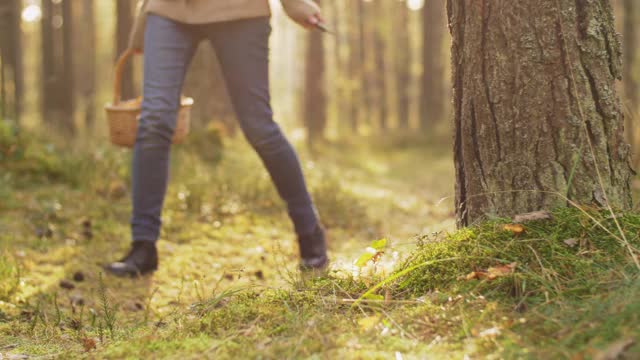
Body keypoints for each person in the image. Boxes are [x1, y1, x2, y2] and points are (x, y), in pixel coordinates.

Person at [105, 0, 328, 277]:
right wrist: (144, 18)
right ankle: (143, 246)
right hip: (169, 10)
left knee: (259, 126)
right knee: (154, 121)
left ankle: (310, 234)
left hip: (239, 9)